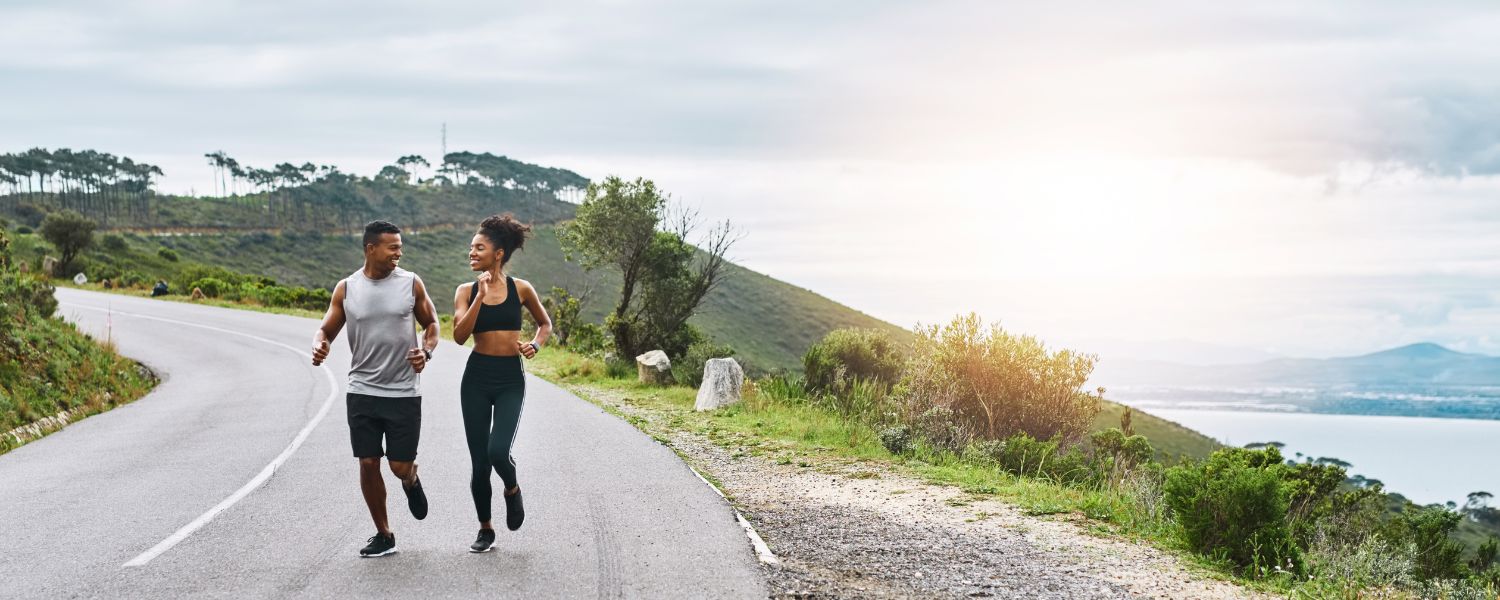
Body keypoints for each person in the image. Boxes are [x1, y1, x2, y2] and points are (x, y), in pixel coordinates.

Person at [312, 220, 441, 557]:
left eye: (400, 246)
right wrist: (320, 344)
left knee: (398, 465)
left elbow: (432, 324)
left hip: (403, 392)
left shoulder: (411, 284)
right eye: (392, 247)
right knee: (368, 462)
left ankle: (410, 479)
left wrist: (425, 351)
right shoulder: (347, 288)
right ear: (371, 249)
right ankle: (384, 533)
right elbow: (325, 328)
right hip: (362, 389)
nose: (399, 252)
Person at [451, 214, 551, 553]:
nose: (472, 253)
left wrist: (535, 345)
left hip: (510, 377)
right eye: (471, 248)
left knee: (498, 451)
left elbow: (544, 324)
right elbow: (460, 336)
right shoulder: (465, 291)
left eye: (479, 247)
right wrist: (479, 297)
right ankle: (485, 529)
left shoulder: (521, 288)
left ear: (498, 253)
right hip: (476, 377)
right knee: (480, 462)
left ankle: (511, 488)